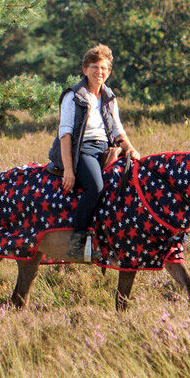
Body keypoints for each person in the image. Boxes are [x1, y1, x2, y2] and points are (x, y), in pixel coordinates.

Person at [48, 45, 140, 261]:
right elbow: (65, 135)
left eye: (104, 68)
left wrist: (131, 149)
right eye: (95, 67)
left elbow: (117, 130)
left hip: (107, 149)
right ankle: (77, 245)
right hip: (82, 151)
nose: (100, 72)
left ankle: (114, 239)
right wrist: (69, 170)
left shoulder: (109, 97)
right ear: (85, 70)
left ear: (109, 72)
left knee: (127, 183)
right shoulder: (73, 96)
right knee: (96, 187)